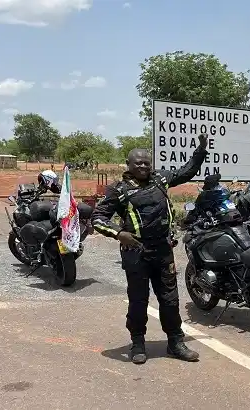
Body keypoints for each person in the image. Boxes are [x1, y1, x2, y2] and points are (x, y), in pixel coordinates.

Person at [90, 133, 208, 364]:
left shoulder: (160, 180)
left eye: (146, 162)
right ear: (129, 165)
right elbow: (97, 218)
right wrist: (119, 234)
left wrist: (200, 150)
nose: (143, 166)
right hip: (136, 254)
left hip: (163, 251)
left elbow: (186, 172)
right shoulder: (118, 189)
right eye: (138, 163)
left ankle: (175, 342)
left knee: (170, 299)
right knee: (138, 300)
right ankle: (137, 343)